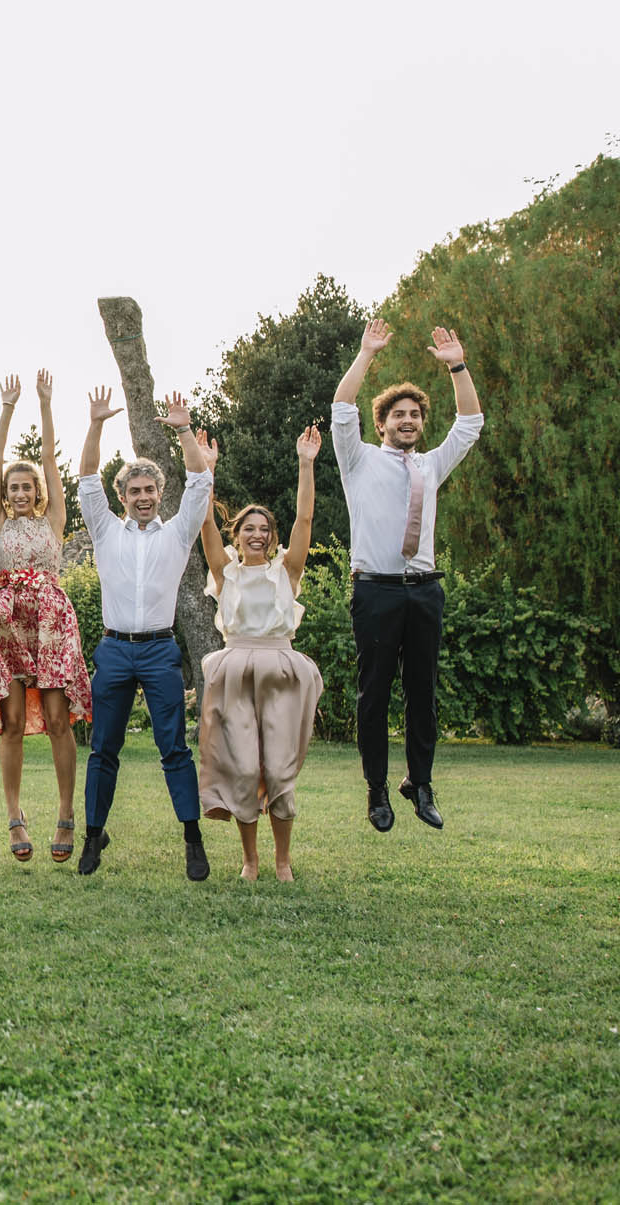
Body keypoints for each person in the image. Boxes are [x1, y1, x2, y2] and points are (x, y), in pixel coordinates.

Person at [331, 319, 484, 832]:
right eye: (399, 414)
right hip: (375, 590)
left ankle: (419, 783)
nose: (409, 420)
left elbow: (470, 424)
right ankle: (377, 789)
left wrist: (457, 366)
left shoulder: (431, 466)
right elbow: (341, 406)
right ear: (382, 424)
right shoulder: (359, 462)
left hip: (424, 592)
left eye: (415, 414)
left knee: (423, 693)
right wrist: (367, 353)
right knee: (373, 695)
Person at [75, 386, 214, 880]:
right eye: (134, 491)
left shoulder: (177, 533)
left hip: (159, 652)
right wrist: (95, 424)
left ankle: (193, 841)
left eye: (149, 491)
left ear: (159, 495)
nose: (142, 498)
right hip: (114, 650)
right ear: (123, 497)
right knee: (103, 750)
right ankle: (93, 838)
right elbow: (87, 477)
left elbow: (200, 481)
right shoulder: (105, 530)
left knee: (173, 748)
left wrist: (181, 430)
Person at [194, 426, 325, 881]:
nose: (257, 534)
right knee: (245, 766)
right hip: (235, 671)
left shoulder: (285, 571)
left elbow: (304, 521)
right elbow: (205, 523)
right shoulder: (224, 572)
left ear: (271, 537)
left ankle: (283, 861)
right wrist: (206, 472)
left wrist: (306, 463)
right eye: (248, 528)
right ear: (239, 533)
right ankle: (250, 860)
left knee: (281, 767)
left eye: (264, 529)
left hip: (281, 671)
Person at [0, 372, 92, 863]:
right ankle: (15, 816)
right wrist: (6, 408)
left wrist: (45, 404)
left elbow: (48, 458)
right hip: (7, 625)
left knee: (61, 719)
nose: (20, 491)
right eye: (13, 488)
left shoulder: (54, 520)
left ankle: (66, 814)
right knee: (14, 721)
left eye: (28, 487)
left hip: (50, 623)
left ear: (38, 491)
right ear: (5, 493)